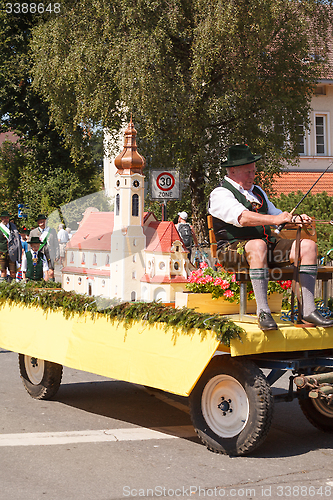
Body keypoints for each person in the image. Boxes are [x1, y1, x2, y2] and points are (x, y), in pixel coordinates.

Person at [208, 144, 333, 331]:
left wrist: (297, 219)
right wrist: (275, 218)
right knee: (258, 245)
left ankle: (308, 310)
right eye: (248, 172)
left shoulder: (257, 192)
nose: (253, 175)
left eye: (254, 171)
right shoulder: (220, 193)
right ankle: (263, 311)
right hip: (231, 252)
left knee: (307, 246)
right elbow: (242, 217)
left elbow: (277, 216)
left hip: (265, 248)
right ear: (233, 171)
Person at [29, 214, 59, 281]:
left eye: (43, 221)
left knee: (51, 272)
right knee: (39, 272)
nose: (41, 223)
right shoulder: (33, 232)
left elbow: (56, 243)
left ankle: (51, 286)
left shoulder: (52, 231)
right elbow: (29, 245)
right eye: (40, 221)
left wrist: (57, 254)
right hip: (38, 254)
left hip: (50, 254)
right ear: (37, 222)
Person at [0, 210, 22, 282]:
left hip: (12, 252)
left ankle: (12, 288)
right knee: (3, 271)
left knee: (13, 272)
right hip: (1, 252)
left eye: (7, 218)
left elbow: (17, 240)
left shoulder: (13, 227)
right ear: (1, 218)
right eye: (3, 218)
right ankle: (3, 288)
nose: (5, 219)